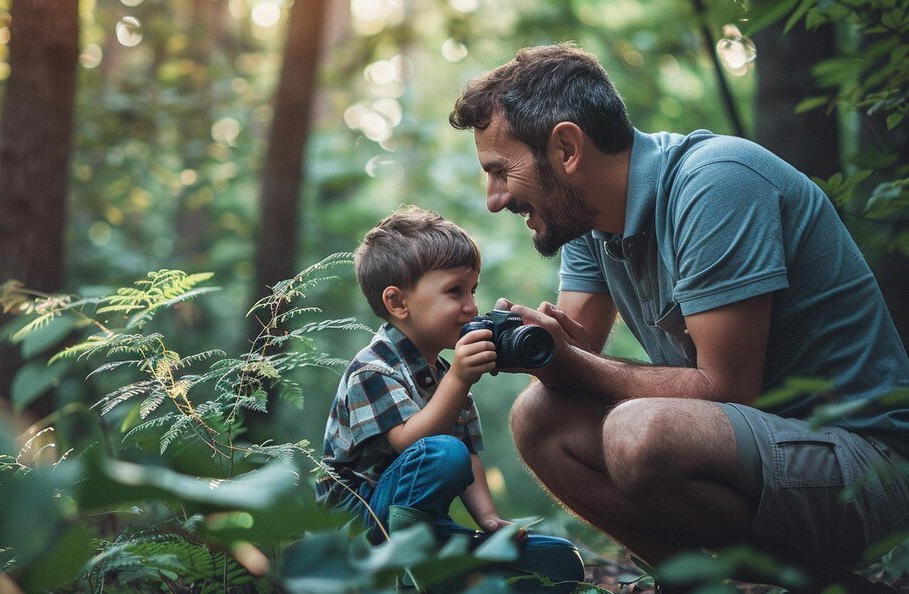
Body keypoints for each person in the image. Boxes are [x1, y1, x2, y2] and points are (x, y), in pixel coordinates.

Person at [448, 43, 909, 590]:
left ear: (567, 148)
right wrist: (543, 347)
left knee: (639, 432)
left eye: (501, 171)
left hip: (867, 468)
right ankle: (700, 586)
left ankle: (817, 585)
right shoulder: (586, 220)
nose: (494, 198)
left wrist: (575, 363)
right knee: (540, 417)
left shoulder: (716, 182)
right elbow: (575, 363)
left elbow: (729, 388)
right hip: (764, 459)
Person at [315, 206, 585, 591]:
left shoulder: (445, 375)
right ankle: (406, 572)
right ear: (397, 303)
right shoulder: (372, 369)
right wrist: (459, 379)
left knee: (560, 560)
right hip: (358, 522)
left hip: (418, 522)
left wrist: (489, 520)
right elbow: (415, 444)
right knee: (442, 452)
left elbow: (468, 454)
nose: (472, 307)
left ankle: (434, 571)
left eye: (473, 291)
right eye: (455, 291)